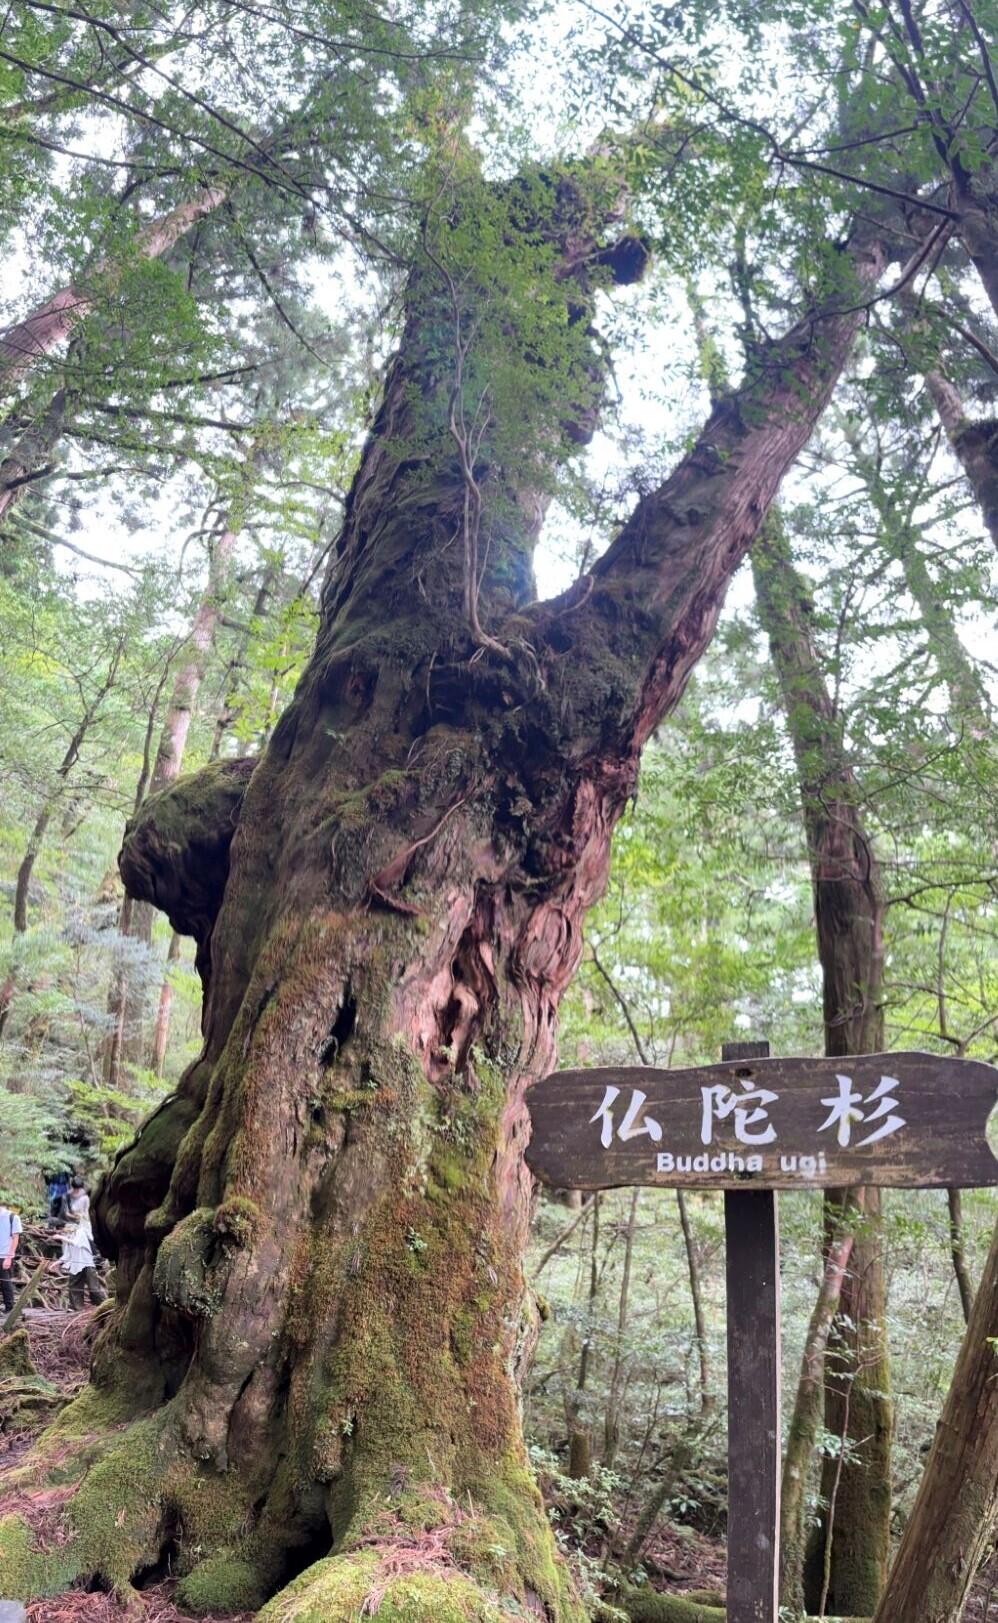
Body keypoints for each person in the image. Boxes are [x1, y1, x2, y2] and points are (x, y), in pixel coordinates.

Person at [58, 1190, 106, 1309]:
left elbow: (77, 1243)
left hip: (87, 1264)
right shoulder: (67, 1238)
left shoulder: (81, 1232)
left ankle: (103, 1306)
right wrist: (55, 1264)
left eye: (66, 1228)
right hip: (75, 1266)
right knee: (74, 1286)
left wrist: (61, 1237)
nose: (65, 1230)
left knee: (94, 1288)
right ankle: (77, 1308)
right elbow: (66, 1256)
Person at [0, 1199, 22, 1315]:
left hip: (5, 1254)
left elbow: (15, 1238)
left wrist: (9, 1257)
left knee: (5, 1282)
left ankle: (10, 1308)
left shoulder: (13, 1217)